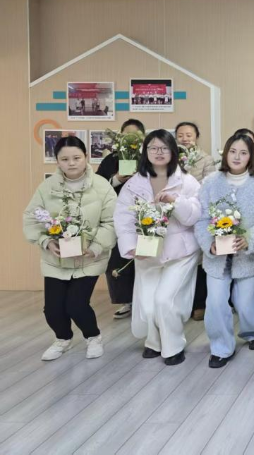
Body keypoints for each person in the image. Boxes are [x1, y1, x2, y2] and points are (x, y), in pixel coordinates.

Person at [23, 137, 117, 361]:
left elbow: (112, 222)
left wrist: (95, 247)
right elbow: (32, 217)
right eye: (64, 159)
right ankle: (62, 339)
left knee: (76, 305)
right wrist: (46, 241)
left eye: (76, 158)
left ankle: (93, 337)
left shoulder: (101, 186)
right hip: (56, 259)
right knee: (52, 310)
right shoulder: (47, 187)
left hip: (90, 258)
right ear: (57, 161)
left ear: (86, 157)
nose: (71, 163)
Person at [114, 130, 202, 366]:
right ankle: (153, 342)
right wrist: (131, 248)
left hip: (180, 252)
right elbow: (123, 218)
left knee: (165, 300)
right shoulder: (133, 184)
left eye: (164, 147)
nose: (159, 152)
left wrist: (176, 201)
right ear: (146, 152)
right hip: (147, 253)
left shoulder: (187, 182)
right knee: (149, 304)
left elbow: (194, 216)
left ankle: (173, 347)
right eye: (153, 147)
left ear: (173, 151)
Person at [195, 133, 254, 368]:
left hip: (248, 256)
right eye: (233, 151)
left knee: (247, 303)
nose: (237, 157)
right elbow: (201, 219)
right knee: (216, 302)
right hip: (216, 257)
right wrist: (208, 243)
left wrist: (249, 240)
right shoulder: (210, 182)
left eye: (243, 153)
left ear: (251, 156)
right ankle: (221, 347)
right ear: (225, 153)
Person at [96, 118, 145, 320]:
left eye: (135, 135)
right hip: (117, 215)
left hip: (144, 215)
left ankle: (143, 300)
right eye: (126, 135)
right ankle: (126, 300)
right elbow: (98, 185)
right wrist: (116, 179)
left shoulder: (148, 157)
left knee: (144, 256)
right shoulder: (112, 159)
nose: (130, 139)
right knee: (119, 256)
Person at [175, 121, 217, 322]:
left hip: (198, 211)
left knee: (199, 259)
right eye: (180, 135)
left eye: (189, 135)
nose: (185, 139)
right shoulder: (171, 157)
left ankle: (199, 303)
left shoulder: (206, 159)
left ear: (196, 137)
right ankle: (180, 304)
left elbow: (209, 184)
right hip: (175, 213)